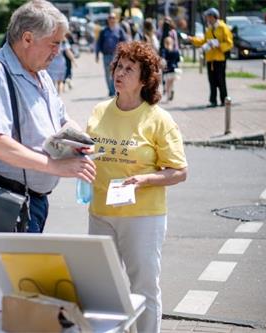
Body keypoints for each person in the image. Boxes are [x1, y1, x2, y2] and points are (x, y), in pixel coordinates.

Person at [0, 0, 96, 233]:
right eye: (54, 44)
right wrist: (55, 166)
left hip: (30, 200)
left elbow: (62, 119)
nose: (58, 52)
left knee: (21, 270)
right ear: (27, 39)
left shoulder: (40, 73)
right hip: (4, 199)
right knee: (19, 271)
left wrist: (80, 140)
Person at [85, 41, 188, 333]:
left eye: (130, 68)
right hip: (100, 212)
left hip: (142, 216)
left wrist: (145, 179)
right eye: (119, 65)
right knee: (102, 287)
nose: (120, 72)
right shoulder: (99, 111)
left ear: (145, 80)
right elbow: (88, 151)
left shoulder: (158, 119)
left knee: (143, 287)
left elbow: (179, 171)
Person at [188, 8, 233, 108]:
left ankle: (223, 99)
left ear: (213, 16)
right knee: (212, 80)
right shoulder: (209, 28)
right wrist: (193, 40)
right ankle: (213, 100)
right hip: (210, 58)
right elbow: (204, 41)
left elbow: (229, 43)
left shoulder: (223, 27)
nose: (207, 19)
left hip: (219, 58)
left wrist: (219, 45)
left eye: (208, 16)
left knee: (221, 80)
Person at [95, 13, 127, 97]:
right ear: (108, 20)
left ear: (115, 19)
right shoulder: (103, 31)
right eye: (110, 18)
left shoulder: (119, 30)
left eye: (113, 18)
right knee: (107, 73)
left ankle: (113, 91)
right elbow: (98, 43)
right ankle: (110, 90)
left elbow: (124, 42)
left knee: (115, 73)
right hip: (106, 55)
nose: (112, 19)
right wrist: (97, 54)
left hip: (116, 56)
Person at [161, 36, 181, 102]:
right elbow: (178, 60)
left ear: (165, 43)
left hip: (167, 69)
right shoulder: (176, 51)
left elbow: (163, 59)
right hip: (174, 69)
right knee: (171, 83)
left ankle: (168, 96)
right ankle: (172, 91)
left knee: (167, 84)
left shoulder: (164, 51)